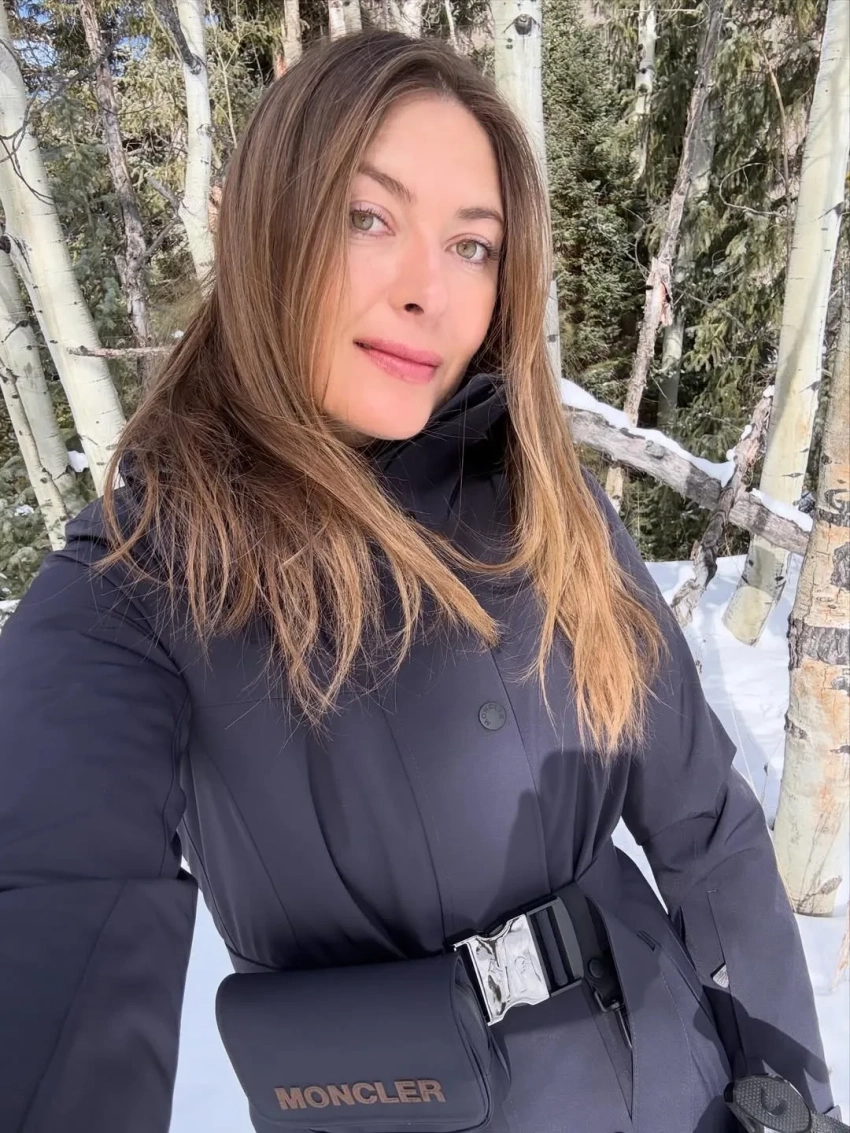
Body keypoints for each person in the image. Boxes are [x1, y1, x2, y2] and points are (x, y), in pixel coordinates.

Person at [0, 27, 839, 1133]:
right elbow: (50, 907)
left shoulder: (551, 502)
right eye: (368, 217)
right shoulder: (140, 582)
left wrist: (793, 1098)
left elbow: (706, 823)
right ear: (267, 223)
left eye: (472, 245)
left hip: (688, 1089)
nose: (426, 291)